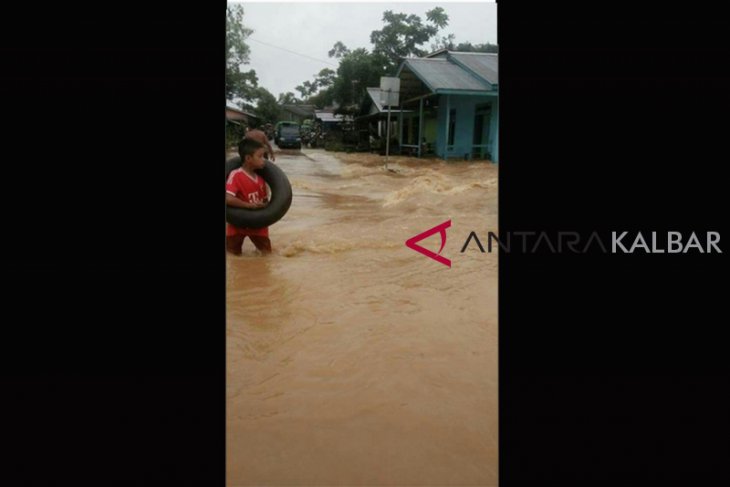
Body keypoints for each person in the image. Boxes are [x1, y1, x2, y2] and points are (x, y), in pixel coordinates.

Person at [226, 138, 272, 255]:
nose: (264, 160)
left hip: (258, 224)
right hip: (237, 223)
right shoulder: (236, 175)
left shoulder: (262, 179)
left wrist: (264, 205)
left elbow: (266, 201)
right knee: (233, 255)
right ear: (248, 158)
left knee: (266, 254)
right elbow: (228, 198)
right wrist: (248, 205)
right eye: (260, 156)